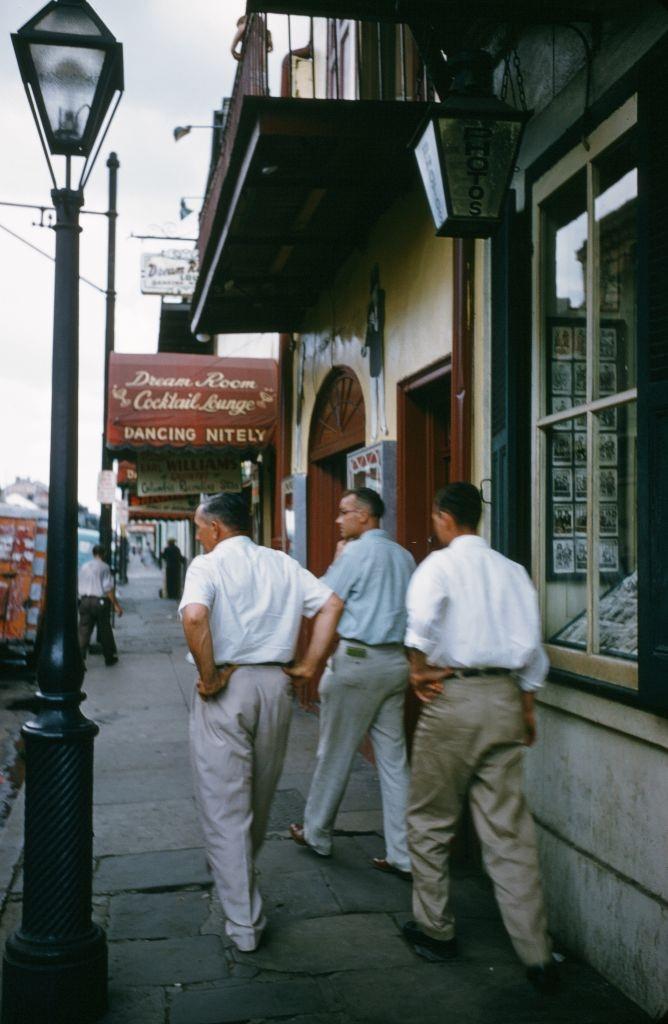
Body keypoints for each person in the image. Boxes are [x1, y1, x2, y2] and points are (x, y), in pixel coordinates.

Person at [401, 482, 557, 992]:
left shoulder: (439, 567)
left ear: (444, 518)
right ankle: (536, 954)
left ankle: (436, 929)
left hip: (455, 698)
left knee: (429, 818)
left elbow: (420, 627)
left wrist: (418, 671)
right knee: (509, 831)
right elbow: (533, 648)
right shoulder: (512, 572)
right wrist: (527, 704)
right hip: (505, 699)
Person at [179, 492, 342, 953]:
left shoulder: (206, 566)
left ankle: (244, 923)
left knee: (224, 804)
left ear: (215, 529)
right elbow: (331, 606)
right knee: (259, 796)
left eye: (198, 527)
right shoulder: (282, 563)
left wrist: (209, 677)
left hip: (228, 685)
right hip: (275, 686)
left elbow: (194, 616)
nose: (197, 535)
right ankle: (238, 876)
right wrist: (310, 664)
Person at [289, 487, 415, 878]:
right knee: (394, 762)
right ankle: (403, 853)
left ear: (364, 516)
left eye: (344, 513)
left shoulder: (357, 552)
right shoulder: (405, 556)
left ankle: (317, 832)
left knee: (335, 750)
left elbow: (325, 599)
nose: (338, 520)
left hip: (358, 661)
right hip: (396, 662)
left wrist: (311, 661)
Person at [78, 544, 123, 667]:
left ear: (93, 553)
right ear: (104, 554)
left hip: (84, 600)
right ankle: (109, 657)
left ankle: (80, 659)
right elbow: (108, 588)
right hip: (99, 601)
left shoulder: (84, 567)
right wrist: (116, 605)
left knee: (83, 630)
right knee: (104, 630)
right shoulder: (104, 567)